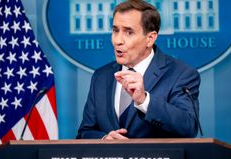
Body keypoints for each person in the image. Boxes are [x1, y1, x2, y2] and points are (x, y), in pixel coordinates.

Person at [77, 0, 200, 140]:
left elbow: (188, 126)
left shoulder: (181, 74)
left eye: (128, 32)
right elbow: (84, 133)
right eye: (115, 30)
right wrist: (104, 139)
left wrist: (143, 100)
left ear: (150, 38)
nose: (118, 40)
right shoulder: (101, 76)